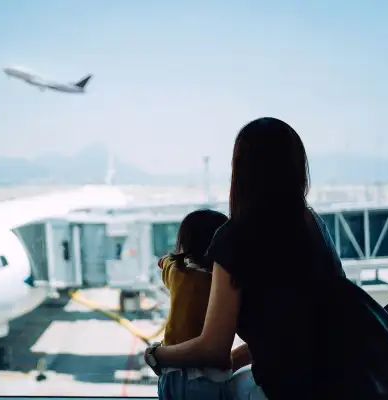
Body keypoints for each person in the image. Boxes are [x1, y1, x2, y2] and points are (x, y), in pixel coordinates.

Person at [144, 117, 347, 399]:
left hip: (282, 389)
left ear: (241, 171)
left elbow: (213, 349)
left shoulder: (235, 237)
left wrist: (157, 355)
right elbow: (301, 325)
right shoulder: (313, 225)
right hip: (336, 380)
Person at [145, 209, 234, 400]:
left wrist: (167, 260)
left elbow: (164, 262)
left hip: (174, 374)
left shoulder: (177, 273)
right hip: (213, 378)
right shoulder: (224, 284)